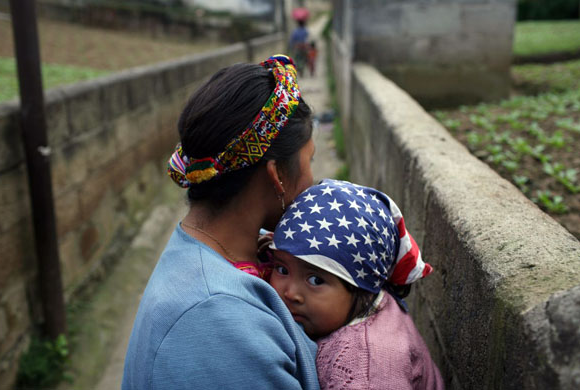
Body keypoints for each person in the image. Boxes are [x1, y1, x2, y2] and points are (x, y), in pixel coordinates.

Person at [122, 55, 319, 390]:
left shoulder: (202, 253)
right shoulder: (219, 319)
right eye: (309, 161)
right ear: (277, 175)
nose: (314, 181)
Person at [268, 179, 444, 389]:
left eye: (316, 280)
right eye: (282, 269)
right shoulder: (367, 304)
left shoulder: (365, 373)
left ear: (363, 290)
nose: (290, 293)